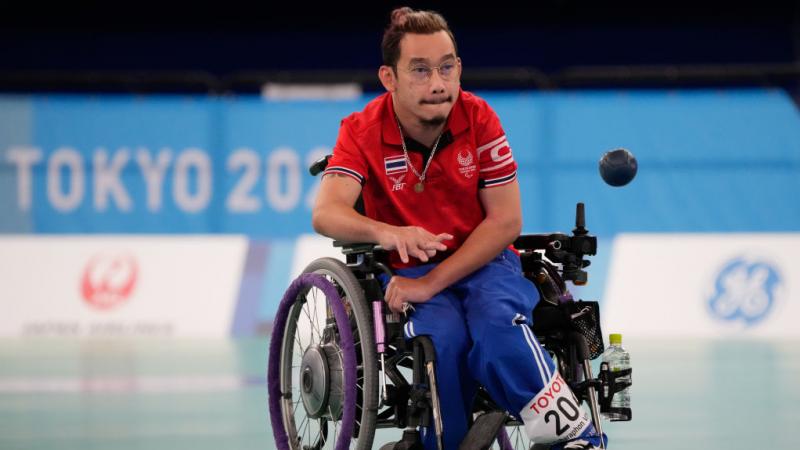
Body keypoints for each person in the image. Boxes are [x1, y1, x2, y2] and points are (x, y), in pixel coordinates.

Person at [312, 7, 607, 450]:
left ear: (459, 69)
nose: (438, 83)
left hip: (485, 262)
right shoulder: (360, 130)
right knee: (443, 340)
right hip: (406, 269)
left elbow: (506, 221)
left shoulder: (479, 118)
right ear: (389, 78)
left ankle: (571, 436)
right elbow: (328, 212)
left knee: (498, 325)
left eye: (447, 67)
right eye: (421, 70)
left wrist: (434, 281)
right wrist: (388, 233)